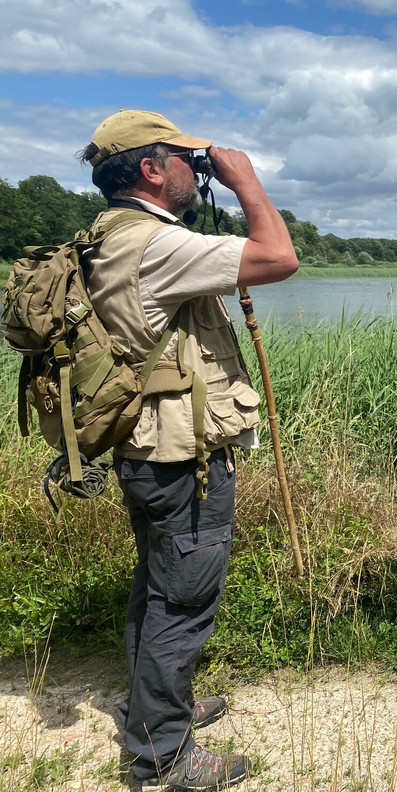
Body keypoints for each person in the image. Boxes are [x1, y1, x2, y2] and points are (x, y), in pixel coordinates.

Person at [78, 109, 298, 791]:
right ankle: (163, 760)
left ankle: (152, 710)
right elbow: (279, 258)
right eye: (186, 160)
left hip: (145, 450)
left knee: (156, 585)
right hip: (180, 459)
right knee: (183, 600)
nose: (196, 172)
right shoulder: (154, 243)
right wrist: (246, 182)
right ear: (150, 168)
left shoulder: (107, 234)